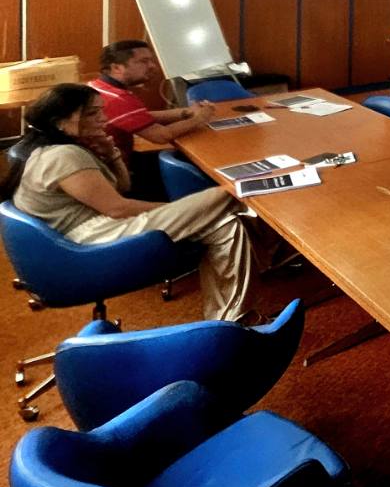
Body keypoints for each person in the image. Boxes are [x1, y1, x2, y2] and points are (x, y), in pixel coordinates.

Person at [1, 83, 254, 322]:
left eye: (101, 110)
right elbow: (117, 208)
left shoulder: (54, 149)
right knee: (227, 193)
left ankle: (229, 321)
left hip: (89, 231)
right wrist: (175, 210)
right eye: (93, 113)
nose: (103, 118)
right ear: (62, 122)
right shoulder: (63, 156)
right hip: (90, 238)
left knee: (225, 225)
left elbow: (122, 187)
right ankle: (237, 309)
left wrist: (110, 154)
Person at [87, 40, 217, 198]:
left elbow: (140, 116)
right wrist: (199, 119)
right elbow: (161, 136)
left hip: (106, 164)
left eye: (151, 60)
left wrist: (185, 113)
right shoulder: (117, 98)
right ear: (116, 68)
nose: (152, 66)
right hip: (115, 177)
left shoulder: (97, 86)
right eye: (144, 61)